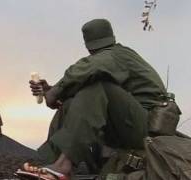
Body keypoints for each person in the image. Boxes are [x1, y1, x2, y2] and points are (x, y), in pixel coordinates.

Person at [19, 19, 166, 180]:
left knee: (98, 87)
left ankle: (62, 166)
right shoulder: (114, 60)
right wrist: (54, 92)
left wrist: (55, 92)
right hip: (131, 126)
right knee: (70, 104)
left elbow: (87, 69)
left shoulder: (116, 55)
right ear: (112, 36)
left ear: (88, 46)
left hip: (148, 129)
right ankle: (50, 166)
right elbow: (85, 97)